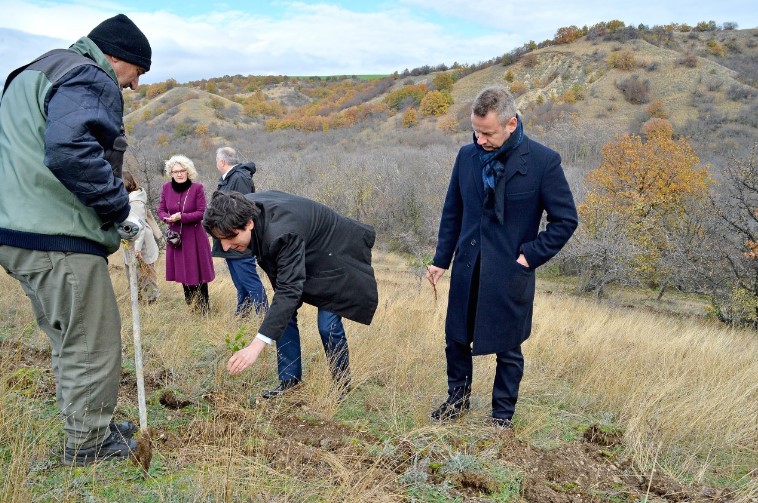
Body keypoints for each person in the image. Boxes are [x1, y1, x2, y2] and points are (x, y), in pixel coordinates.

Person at [0, 14, 152, 465]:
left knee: (71, 338)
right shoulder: (89, 75)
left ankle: (90, 425)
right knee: (92, 341)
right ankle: (87, 444)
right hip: (58, 235)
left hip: (20, 229)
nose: (135, 86)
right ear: (116, 58)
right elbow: (68, 148)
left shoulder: (36, 71)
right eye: (137, 73)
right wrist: (116, 209)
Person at [426, 86, 578, 428]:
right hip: (468, 266)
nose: (479, 140)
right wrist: (441, 259)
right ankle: (457, 400)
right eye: (476, 131)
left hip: (510, 271)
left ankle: (501, 416)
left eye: (487, 133)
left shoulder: (542, 162)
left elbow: (565, 220)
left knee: (508, 347)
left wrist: (528, 256)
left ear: (511, 123)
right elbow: (454, 211)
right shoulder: (466, 156)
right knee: (456, 338)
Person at [202, 190, 378, 398]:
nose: (225, 246)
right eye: (219, 239)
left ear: (249, 223)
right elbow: (284, 299)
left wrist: (255, 347)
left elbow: (289, 290)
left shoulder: (282, 232)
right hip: (302, 246)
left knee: (327, 324)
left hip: (335, 252)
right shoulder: (233, 212)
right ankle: (289, 382)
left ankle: (342, 385)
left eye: (231, 238)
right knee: (283, 316)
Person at [213, 147, 268, 316]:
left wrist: (234, 234)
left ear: (221, 162)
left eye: (217, 160)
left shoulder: (239, 178)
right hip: (229, 239)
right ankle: (242, 315)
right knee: (240, 282)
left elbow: (242, 210)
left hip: (239, 240)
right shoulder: (229, 178)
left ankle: (264, 316)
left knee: (250, 281)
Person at [158, 155, 215, 314]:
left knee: (198, 273)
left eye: (182, 170)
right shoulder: (166, 188)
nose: (179, 174)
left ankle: (204, 310)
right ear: (171, 173)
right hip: (176, 239)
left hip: (195, 237)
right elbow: (161, 209)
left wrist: (181, 217)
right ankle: (192, 307)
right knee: (184, 272)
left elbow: (202, 212)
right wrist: (166, 218)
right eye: (175, 171)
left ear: (188, 171)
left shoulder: (197, 188)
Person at [121, 171, 161, 304]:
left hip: (141, 243)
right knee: (133, 272)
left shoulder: (135, 200)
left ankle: (151, 301)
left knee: (147, 274)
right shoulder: (128, 197)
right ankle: (137, 299)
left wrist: (137, 249)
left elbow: (139, 227)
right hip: (130, 241)